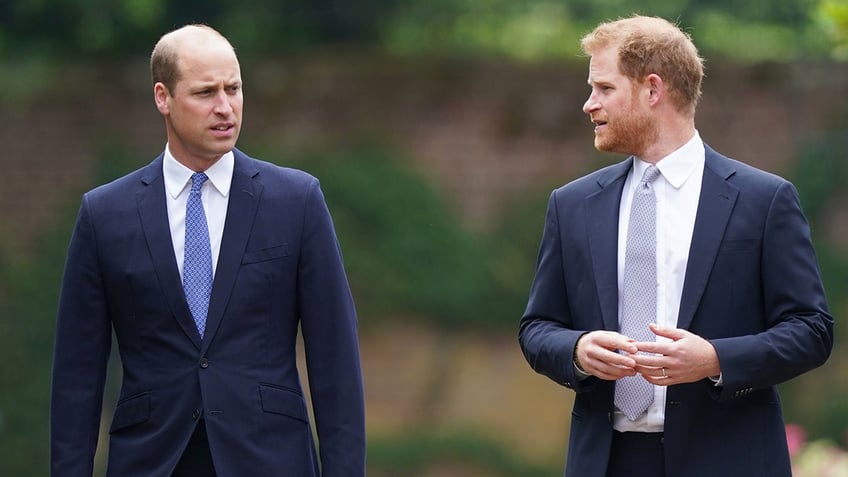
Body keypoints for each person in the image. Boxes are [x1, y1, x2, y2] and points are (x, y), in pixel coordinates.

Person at [518, 15, 833, 477]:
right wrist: (578, 349)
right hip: (605, 462)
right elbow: (536, 327)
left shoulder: (764, 200)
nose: (589, 104)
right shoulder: (572, 204)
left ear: (652, 89)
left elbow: (812, 331)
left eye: (604, 88)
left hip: (729, 459)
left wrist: (715, 359)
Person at [50, 24, 365, 476]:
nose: (225, 107)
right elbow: (76, 377)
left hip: (272, 459)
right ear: (163, 97)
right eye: (205, 93)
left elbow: (336, 361)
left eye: (233, 89)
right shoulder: (104, 215)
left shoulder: (297, 201)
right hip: (152, 460)